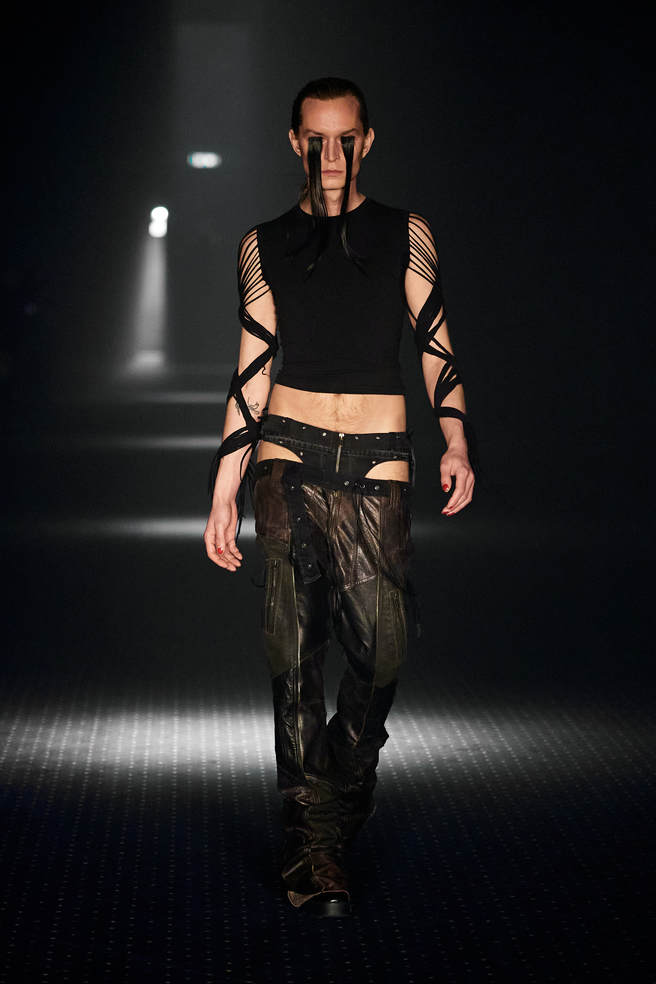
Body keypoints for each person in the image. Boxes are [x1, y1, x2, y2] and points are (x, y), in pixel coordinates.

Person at [203, 77, 475, 917]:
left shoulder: (405, 232)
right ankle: (313, 848)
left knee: (382, 647)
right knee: (292, 657)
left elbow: (434, 342)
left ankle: (338, 790)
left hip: (380, 459)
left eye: (345, 138)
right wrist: (224, 485)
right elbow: (253, 369)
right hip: (288, 453)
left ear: (367, 140)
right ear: (295, 142)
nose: (331, 154)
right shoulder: (264, 244)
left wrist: (456, 437)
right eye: (316, 139)